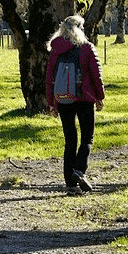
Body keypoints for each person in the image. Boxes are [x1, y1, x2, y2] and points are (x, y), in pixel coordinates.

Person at [45, 14, 105, 195]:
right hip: (85, 98)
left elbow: (50, 78)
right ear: (80, 29)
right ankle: (79, 171)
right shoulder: (87, 48)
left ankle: (70, 186)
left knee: (70, 140)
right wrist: (99, 97)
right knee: (87, 137)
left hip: (63, 100)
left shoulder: (55, 50)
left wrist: (52, 103)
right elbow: (96, 74)